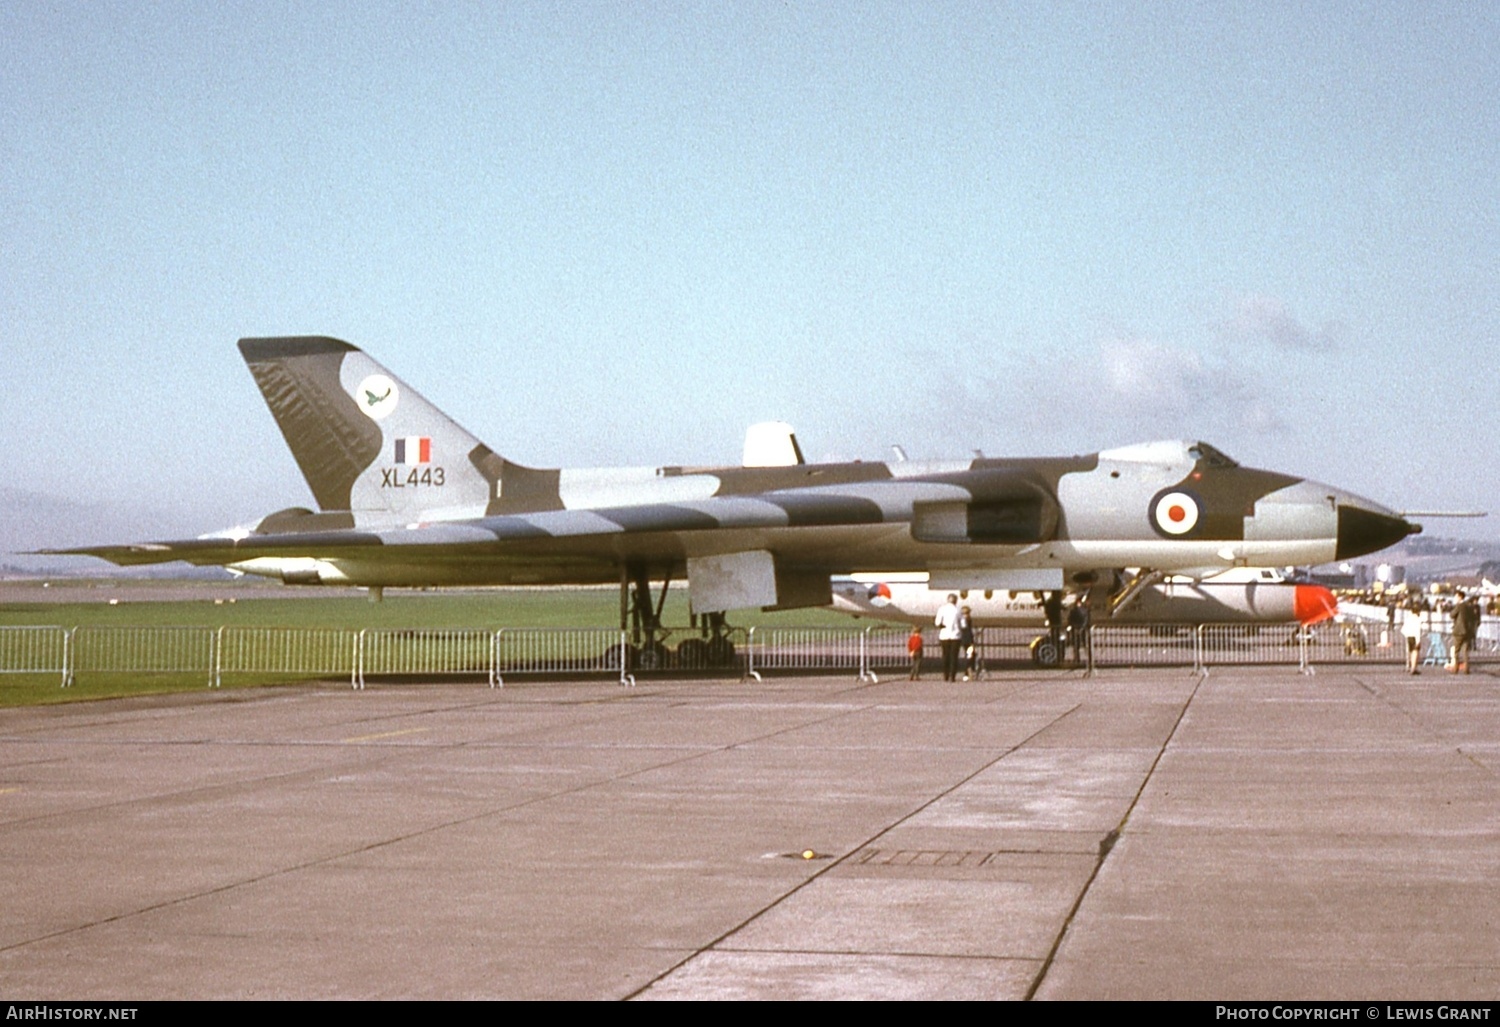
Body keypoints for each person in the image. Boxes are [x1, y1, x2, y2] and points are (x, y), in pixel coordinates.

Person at [1451, 590, 1480, 674]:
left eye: (1456, 596)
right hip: (1467, 631)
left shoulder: (1459, 606)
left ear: (1460, 597)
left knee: (1456, 650)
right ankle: (1466, 668)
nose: (1455, 598)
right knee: (1465, 651)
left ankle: (1455, 667)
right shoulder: (1469, 606)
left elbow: (1452, 614)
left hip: (1459, 630)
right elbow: (1473, 617)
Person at [935, 593, 962, 681]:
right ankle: (952, 676)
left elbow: (937, 623)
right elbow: (963, 624)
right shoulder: (958, 610)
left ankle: (945, 675)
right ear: (956, 601)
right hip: (956, 636)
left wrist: (943, 626)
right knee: (954, 656)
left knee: (945, 656)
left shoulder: (942, 609)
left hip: (944, 635)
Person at [1067, 595, 1092, 667]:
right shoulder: (1083, 610)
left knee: (1080, 645)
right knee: (1079, 645)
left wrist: (1078, 628)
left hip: (1079, 629)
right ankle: (1082, 659)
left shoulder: (1080, 610)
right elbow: (1085, 620)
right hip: (1079, 629)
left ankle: (1080, 659)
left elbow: (1085, 620)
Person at [1401, 599, 1423, 675]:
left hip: (1408, 636)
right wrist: (1418, 641)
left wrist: (1407, 635)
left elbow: (1403, 629)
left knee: (1410, 652)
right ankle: (1414, 668)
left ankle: (1410, 666)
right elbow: (1418, 631)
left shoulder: (1408, 618)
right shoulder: (1418, 619)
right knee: (1415, 652)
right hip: (1414, 637)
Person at [958, 605, 977, 680]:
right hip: (968, 640)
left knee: (970, 655)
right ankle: (968, 672)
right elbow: (967, 631)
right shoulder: (966, 620)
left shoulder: (962, 620)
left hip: (965, 640)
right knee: (970, 655)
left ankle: (969, 671)